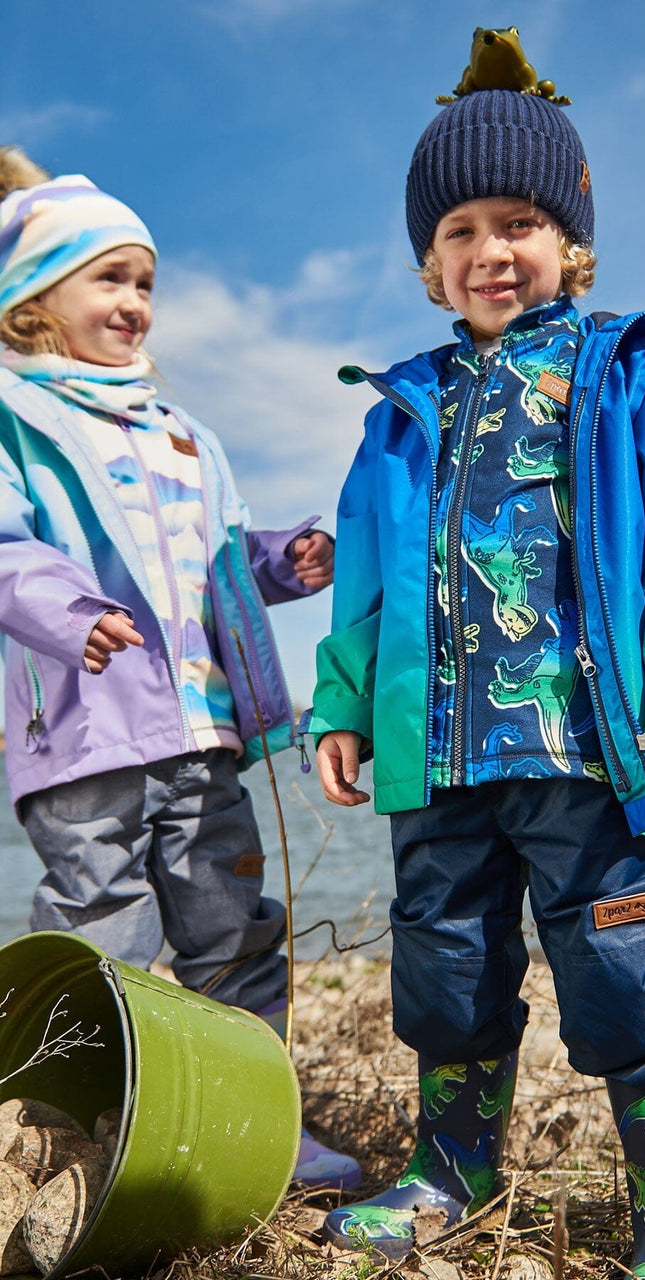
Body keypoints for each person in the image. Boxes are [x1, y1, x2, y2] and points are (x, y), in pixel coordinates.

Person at [310, 71, 645, 1275]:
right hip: (438, 752)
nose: (488, 250)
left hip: (589, 752)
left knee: (620, 961)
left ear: (572, 239)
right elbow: (363, 575)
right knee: (444, 965)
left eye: (518, 222)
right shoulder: (403, 406)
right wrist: (344, 701)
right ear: (427, 260)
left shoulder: (630, 367)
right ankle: (451, 1168)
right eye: (458, 230)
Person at [0, 147, 359, 1192]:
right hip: (84, 736)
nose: (136, 302)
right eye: (109, 279)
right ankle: (66, 1134)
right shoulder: (17, 417)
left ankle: (258, 1125)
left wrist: (279, 561)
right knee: (100, 935)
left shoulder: (188, 437)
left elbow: (219, 560)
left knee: (232, 930)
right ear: (32, 298)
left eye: (146, 283)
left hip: (203, 731)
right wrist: (73, 613)